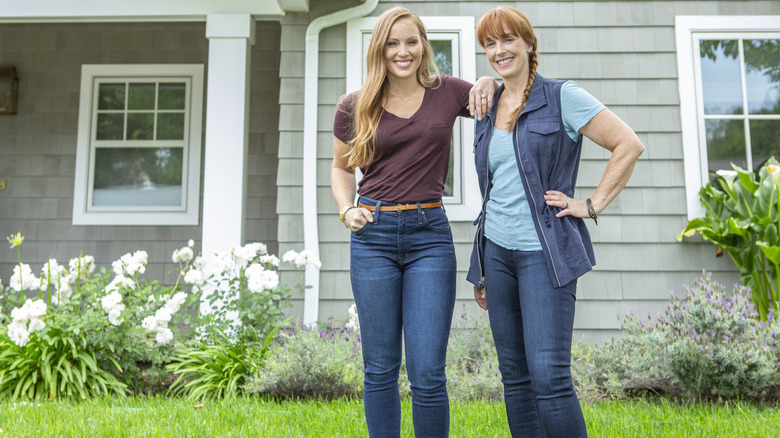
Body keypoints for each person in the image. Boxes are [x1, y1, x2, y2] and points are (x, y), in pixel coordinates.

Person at [467, 6, 645, 438]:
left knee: (549, 376)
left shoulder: (563, 97)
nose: (499, 50)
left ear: (530, 43)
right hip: (496, 253)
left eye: (508, 39)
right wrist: (483, 268)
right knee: (516, 378)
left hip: (543, 255)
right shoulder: (486, 102)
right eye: (489, 44)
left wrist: (591, 204)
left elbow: (628, 144)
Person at [330, 7, 495, 438]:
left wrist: (487, 81)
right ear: (379, 49)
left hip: (429, 238)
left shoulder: (447, 92)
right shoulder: (354, 105)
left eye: (411, 42)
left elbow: (490, 96)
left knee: (427, 371)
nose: (402, 52)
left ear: (424, 46)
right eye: (392, 43)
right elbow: (341, 168)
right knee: (380, 367)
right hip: (373, 236)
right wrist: (347, 209)